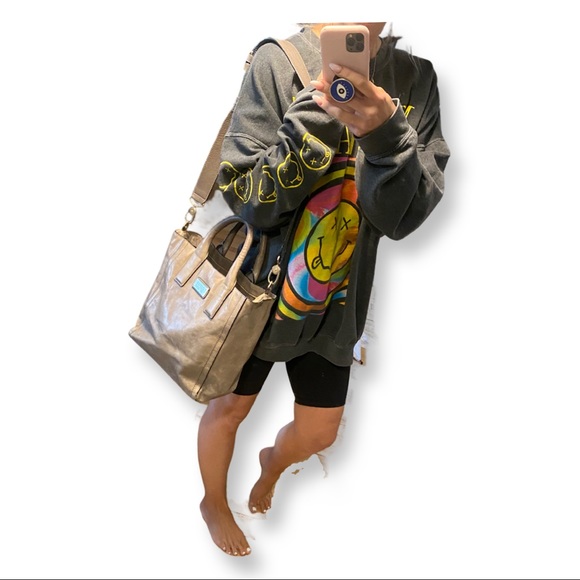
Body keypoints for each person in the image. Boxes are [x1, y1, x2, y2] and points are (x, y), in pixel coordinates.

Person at [197, 22, 450, 557]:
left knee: (318, 433)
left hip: (337, 302)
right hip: (256, 295)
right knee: (227, 412)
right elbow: (246, 197)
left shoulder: (415, 79)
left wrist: (385, 134)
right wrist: (315, 115)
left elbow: (403, 219)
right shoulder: (278, 60)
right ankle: (213, 501)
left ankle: (272, 464)